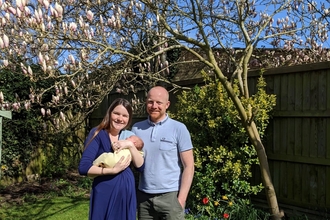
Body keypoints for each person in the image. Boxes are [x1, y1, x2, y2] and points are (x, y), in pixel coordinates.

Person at [131, 86, 195, 219]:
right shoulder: (136, 129)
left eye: (159, 102)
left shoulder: (178, 128)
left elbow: (189, 166)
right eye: (150, 101)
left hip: (170, 197)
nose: (154, 106)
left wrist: (181, 200)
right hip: (144, 198)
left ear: (167, 105)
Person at [78, 98, 144, 220]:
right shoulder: (98, 133)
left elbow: (140, 167)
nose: (120, 118)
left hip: (126, 192)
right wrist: (112, 171)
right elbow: (83, 167)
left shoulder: (128, 137)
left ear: (129, 119)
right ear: (109, 113)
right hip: (105, 191)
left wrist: (130, 145)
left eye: (125, 115)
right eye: (116, 113)